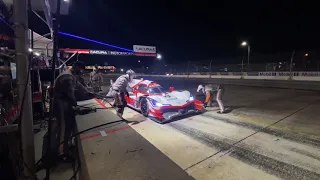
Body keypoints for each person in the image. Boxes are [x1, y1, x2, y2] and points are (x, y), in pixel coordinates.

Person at [53, 61, 91, 161]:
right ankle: (61, 155)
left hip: (66, 104)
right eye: (80, 69)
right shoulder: (67, 77)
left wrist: (89, 93)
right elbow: (70, 94)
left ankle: (66, 147)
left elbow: (79, 87)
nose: (81, 71)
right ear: (75, 66)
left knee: (69, 127)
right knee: (63, 128)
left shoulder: (72, 75)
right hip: (61, 104)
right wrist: (76, 105)